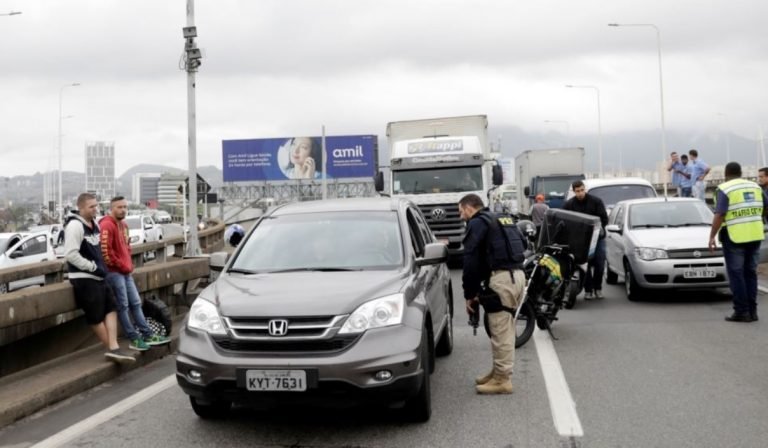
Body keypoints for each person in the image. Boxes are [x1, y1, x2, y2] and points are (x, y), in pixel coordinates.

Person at [459, 193, 526, 395]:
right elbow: (522, 244)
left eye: (460, 210)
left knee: (500, 330)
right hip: (517, 275)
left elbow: (470, 261)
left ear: (469, 208)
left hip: (503, 279)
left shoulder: (477, 223)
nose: (460, 215)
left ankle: (502, 380)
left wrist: (469, 294)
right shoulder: (501, 218)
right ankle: (498, 372)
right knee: (503, 327)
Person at [64, 193, 135, 364]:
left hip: (99, 276)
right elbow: (71, 254)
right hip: (84, 278)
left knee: (112, 308)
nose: (95, 209)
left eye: (96, 206)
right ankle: (112, 349)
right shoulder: (75, 226)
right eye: (91, 207)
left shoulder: (94, 224)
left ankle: (114, 346)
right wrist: (92, 267)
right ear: (81, 208)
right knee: (95, 317)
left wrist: (99, 268)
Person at [100, 196, 170, 351]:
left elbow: (127, 247)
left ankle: (147, 334)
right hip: (114, 273)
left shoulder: (124, 225)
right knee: (123, 306)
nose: (123, 210)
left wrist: (128, 264)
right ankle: (133, 337)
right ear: (112, 208)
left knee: (136, 303)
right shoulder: (106, 225)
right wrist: (122, 265)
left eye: (125, 207)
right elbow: (106, 253)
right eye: (119, 207)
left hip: (125, 272)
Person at [708, 162, 767, 322]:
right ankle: (753, 312)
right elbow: (765, 208)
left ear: (726, 174)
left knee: (737, 274)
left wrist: (712, 235)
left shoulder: (725, 188)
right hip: (755, 235)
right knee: (750, 273)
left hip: (735, 237)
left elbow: (719, 214)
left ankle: (742, 311)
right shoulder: (755, 187)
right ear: (741, 173)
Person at [564, 180, 608, 300]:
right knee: (584, 265)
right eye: (577, 191)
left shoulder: (596, 202)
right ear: (574, 191)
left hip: (597, 238)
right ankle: (588, 290)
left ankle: (598, 288)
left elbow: (604, 219)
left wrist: (599, 230)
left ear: (585, 189)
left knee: (600, 262)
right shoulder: (569, 205)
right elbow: (565, 222)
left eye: (582, 190)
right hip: (580, 241)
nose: (580, 193)